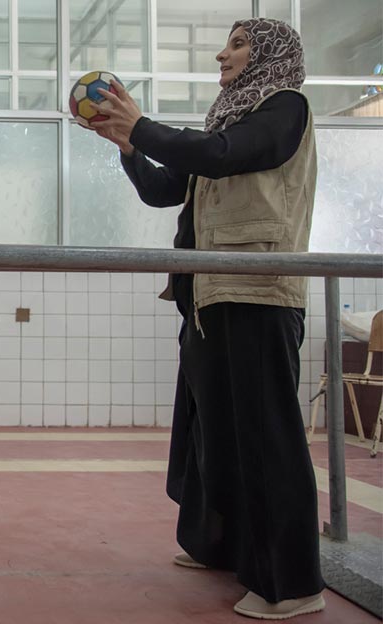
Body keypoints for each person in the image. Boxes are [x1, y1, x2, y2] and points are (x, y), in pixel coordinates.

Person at [89, 19, 325, 620]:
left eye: (239, 44)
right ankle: (220, 545)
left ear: (269, 54)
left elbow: (221, 157)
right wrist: (129, 147)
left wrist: (143, 124)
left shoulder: (285, 108)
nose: (223, 54)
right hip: (206, 295)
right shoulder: (230, 121)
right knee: (211, 433)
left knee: (265, 437)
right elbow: (167, 190)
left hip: (258, 292)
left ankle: (291, 583)